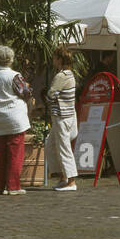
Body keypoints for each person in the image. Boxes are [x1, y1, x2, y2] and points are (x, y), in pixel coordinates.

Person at [0, 45, 31, 196]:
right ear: (10, 59)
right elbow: (26, 93)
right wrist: (28, 87)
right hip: (15, 118)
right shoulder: (14, 75)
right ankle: (13, 186)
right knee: (15, 152)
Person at [46, 46, 78, 192]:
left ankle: (71, 181)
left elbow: (51, 95)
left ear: (59, 59)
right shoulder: (70, 74)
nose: (53, 60)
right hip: (67, 115)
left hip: (61, 116)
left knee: (64, 148)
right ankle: (63, 177)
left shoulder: (61, 76)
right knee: (50, 145)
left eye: (54, 57)